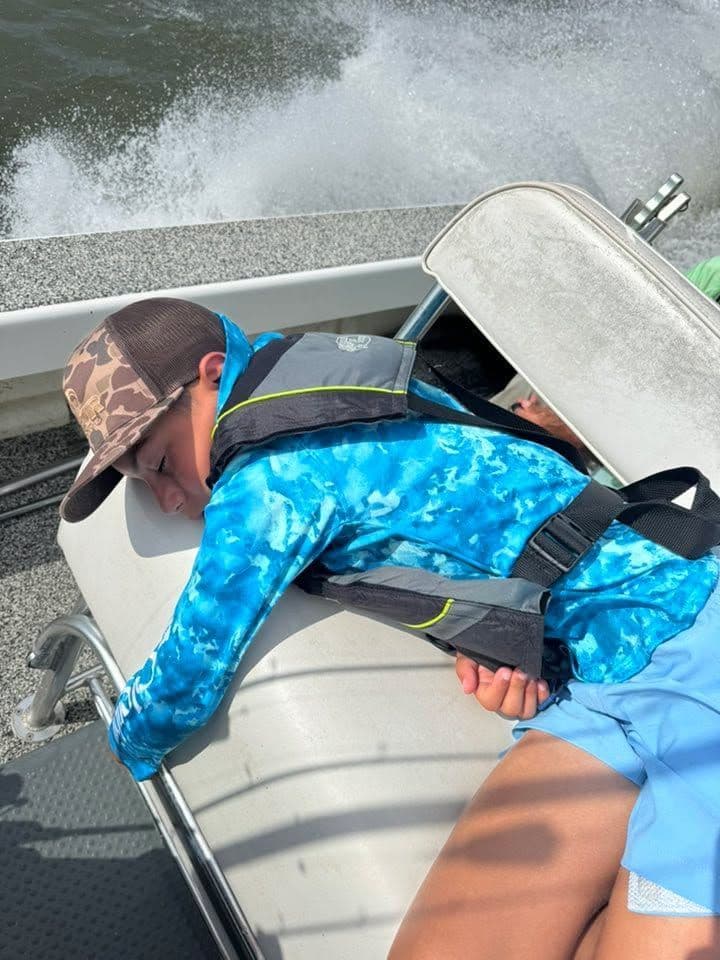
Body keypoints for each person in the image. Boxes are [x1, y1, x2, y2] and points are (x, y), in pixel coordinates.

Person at [59, 270, 720, 959]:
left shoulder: (271, 479)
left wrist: (127, 740)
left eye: (162, 463)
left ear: (214, 373)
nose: (167, 501)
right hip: (593, 686)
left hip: (695, 650)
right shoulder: (322, 376)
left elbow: (189, 672)